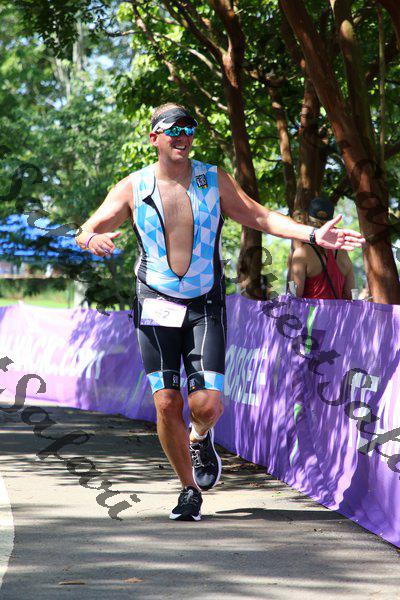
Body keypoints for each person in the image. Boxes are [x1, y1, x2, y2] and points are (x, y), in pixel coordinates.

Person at [75, 103, 365, 521]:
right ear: (154, 137)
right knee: (166, 402)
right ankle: (188, 490)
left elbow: (259, 216)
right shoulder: (133, 187)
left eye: (189, 129)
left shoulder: (213, 179)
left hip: (204, 303)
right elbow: (87, 228)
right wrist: (91, 240)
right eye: (172, 129)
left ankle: (199, 436)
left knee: (207, 405)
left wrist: (313, 235)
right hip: (154, 302)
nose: (182, 136)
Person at [289, 197, 356, 300]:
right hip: (337, 311)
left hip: (311, 311)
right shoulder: (343, 253)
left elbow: (295, 295)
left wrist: (290, 286)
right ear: (332, 221)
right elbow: (351, 294)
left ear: (308, 220)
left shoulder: (302, 253)